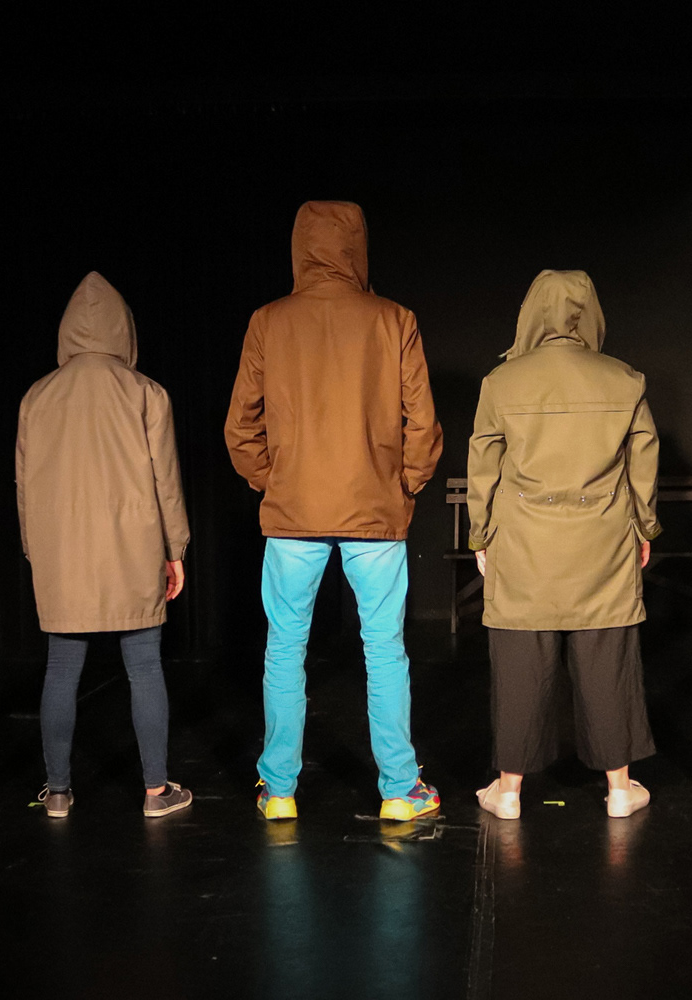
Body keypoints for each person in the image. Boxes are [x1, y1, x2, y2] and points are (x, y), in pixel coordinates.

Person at [226, 201, 443, 821]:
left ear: (300, 246)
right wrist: (404, 485)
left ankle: (279, 792)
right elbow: (423, 422)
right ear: (358, 247)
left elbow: (240, 426)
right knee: (385, 650)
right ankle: (399, 790)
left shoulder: (269, 321)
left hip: (293, 514)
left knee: (284, 650)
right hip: (374, 511)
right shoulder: (393, 319)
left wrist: (274, 481)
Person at [467, 270, 660, 820]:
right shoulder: (624, 379)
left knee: (520, 661)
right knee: (607, 659)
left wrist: (480, 535)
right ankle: (620, 790)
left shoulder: (501, 383)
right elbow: (643, 463)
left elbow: (483, 467)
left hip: (523, 543)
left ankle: (508, 792)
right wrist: (645, 528)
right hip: (603, 542)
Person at [16, 272, 192, 819]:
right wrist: (176, 549)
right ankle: (156, 792)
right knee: (144, 666)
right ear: (124, 329)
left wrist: (34, 551)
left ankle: (58, 792)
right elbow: (166, 479)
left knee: (61, 669)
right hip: (133, 548)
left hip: (62, 555)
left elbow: (23, 486)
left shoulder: (36, 396)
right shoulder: (146, 392)